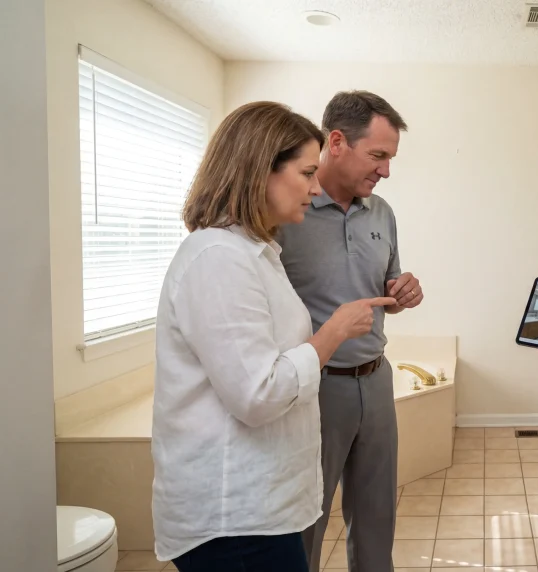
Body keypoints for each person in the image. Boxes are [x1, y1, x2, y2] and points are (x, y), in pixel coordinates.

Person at [151, 101, 395, 572]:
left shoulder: (254, 250)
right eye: (305, 173)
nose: (314, 185)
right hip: (235, 518)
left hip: (261, 505)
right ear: (260, 171)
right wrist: (333, 333)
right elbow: (259, 393)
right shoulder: (217, 258)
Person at [276, 90, 423, 572]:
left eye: (389, 158)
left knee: (378, 515)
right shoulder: (286, 212)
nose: (385, 171)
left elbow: (383, 288)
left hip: (376, 380)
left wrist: (401, 292)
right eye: (378, 155)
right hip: (315, 388)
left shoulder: (381, 212)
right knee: (306, 520)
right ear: (335, 142)